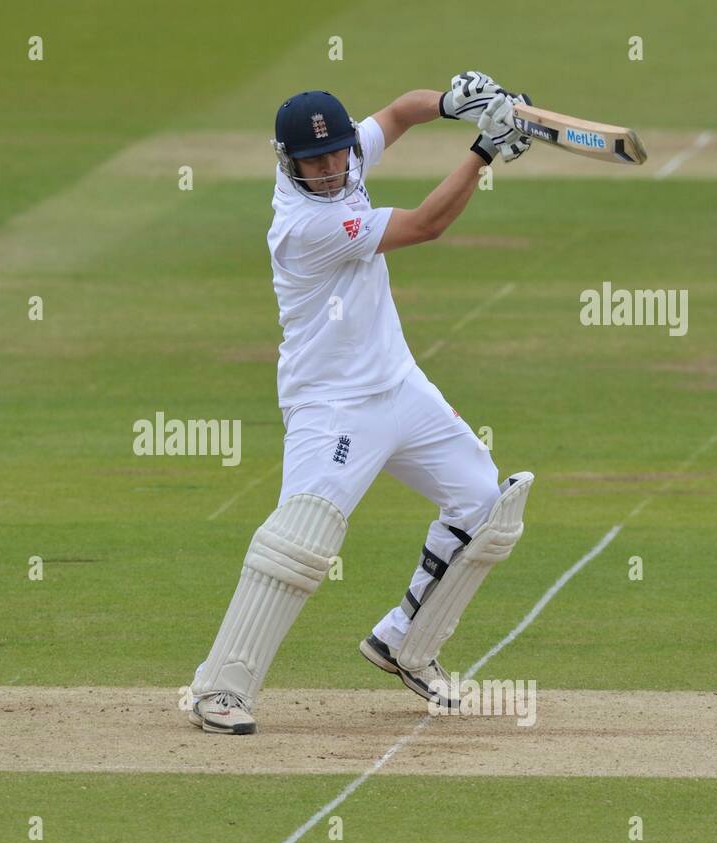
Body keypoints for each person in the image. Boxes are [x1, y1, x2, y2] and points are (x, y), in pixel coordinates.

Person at [189, 72, 536, 735]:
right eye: (311, 162)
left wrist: (450, 103)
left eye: (336, 154)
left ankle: (406, 644)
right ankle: (221, 690)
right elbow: (427, 225)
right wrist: (483, 151)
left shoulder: (343, 163)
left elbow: (399, 113)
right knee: (302, 542)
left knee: (484, 506)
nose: (327, 170)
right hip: (331, 404)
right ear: (287, 164)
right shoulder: (309, 223)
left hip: (398, 386)